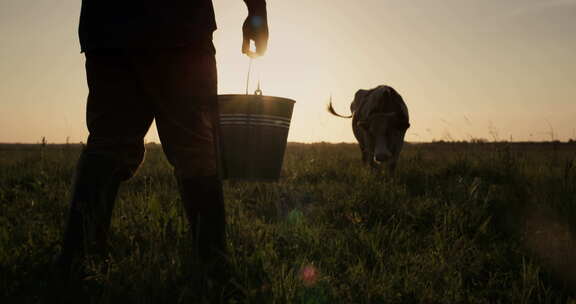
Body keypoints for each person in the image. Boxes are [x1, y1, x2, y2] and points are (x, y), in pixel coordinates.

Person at [56, 0, 269, 287]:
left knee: (109, 142)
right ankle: (214, 269)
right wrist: (257, 12)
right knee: (195, 147)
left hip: (108, 25)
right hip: (179, 25)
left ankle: (75, 264)